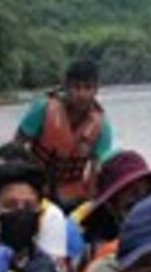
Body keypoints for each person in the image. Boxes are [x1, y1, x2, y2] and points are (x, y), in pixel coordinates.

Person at [14, 58, 115, 211]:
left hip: (74, 197)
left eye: (88, 88)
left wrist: (91, 203)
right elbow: (17, 145)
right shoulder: (43, 108)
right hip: (36, 187)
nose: (82, 94)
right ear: (66, 86)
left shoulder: (101, 125)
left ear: (96, 90)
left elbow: (97, 168)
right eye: (76, 87)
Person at [74, 149, 151, 272]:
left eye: (148, 199)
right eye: (131, 204)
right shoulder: (102, 268)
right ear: (112, 207)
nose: (143, 211)